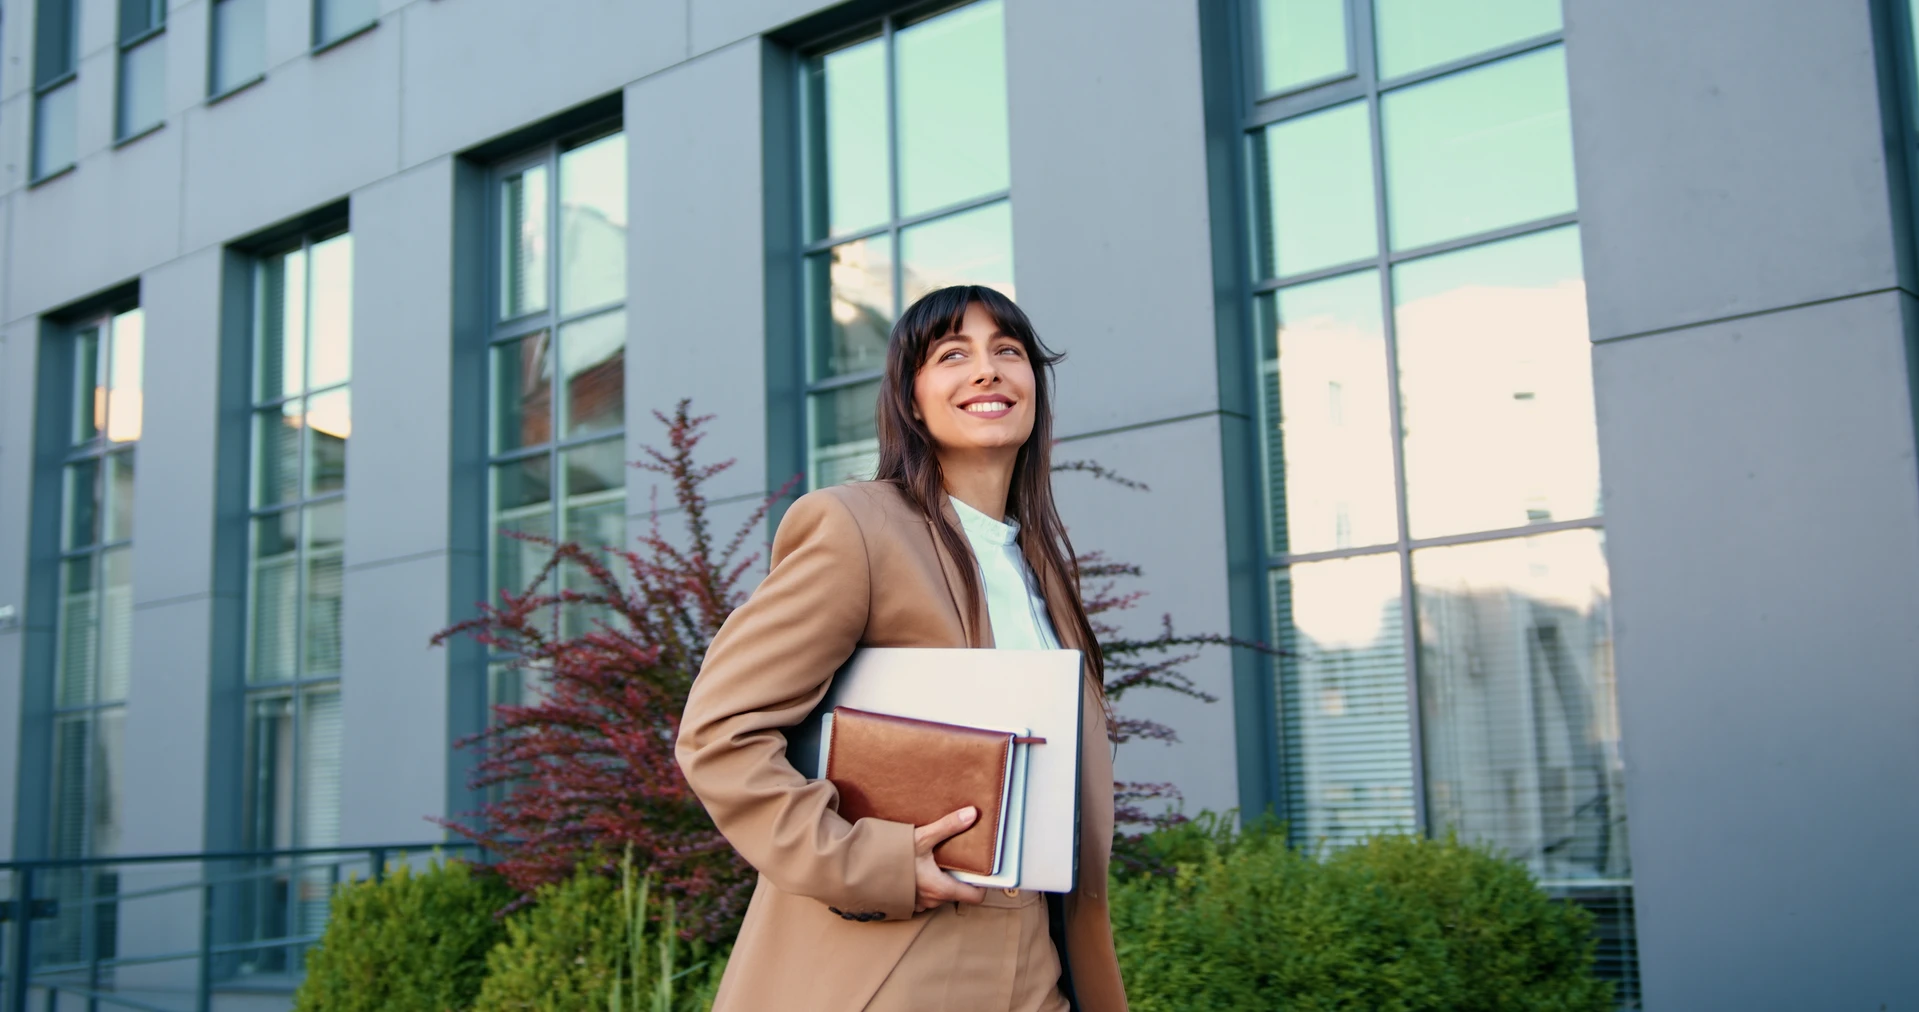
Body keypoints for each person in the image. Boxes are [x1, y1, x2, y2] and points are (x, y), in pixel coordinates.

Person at [675, 284, 1127, 1011]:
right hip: (896, 963)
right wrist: (866, 864)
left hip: (1035, 961)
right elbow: (720, 735)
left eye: (1007, 351)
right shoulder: (856, 528)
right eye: (952, 355)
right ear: (911, 400)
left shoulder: (1039, 568)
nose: (987, 369)